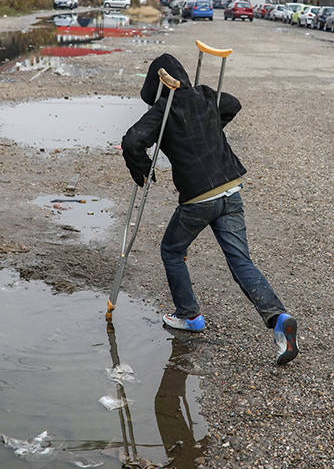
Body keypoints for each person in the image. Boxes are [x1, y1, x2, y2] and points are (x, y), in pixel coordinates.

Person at [121, 53, 299, 366]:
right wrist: (208, 128)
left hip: (199, 198)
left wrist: (143, 168)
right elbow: (232, 104)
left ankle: (189, 316)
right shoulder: (204, 96)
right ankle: (278, 319)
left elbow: (132, 141)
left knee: (172, 251)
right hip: (230, 188)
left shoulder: (164, 109)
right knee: (241, 261)